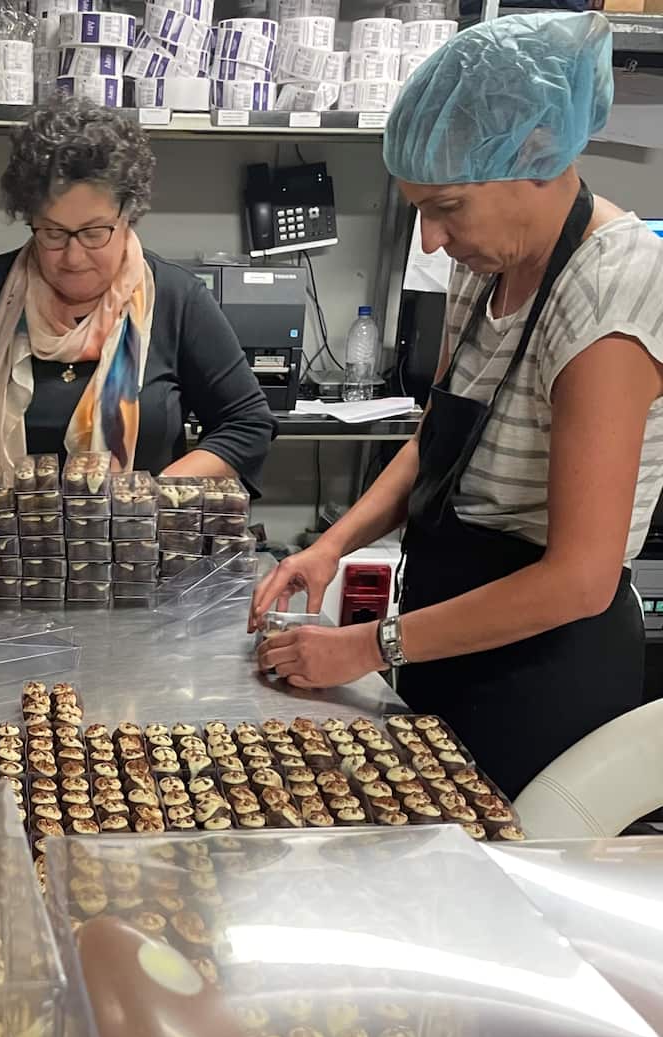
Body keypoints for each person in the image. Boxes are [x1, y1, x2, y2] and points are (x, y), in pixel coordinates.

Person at [250, 12, 662, 800]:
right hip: (447, 632)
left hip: (543, 668)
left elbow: (576, 578)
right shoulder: (487, 266)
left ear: (536, 160)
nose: (432, 241)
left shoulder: (611, 291)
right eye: (420, 213)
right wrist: (332, 545)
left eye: (448, 208)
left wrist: (369, 646)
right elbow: (439, 440)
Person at [0, 101, 276, 487]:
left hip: (137, 534)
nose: (74, 257)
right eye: (53, 233)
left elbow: (246, 424)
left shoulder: (177, 300)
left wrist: (155, 492)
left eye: (94, 233)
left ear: (128, 215)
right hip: (2, 537)